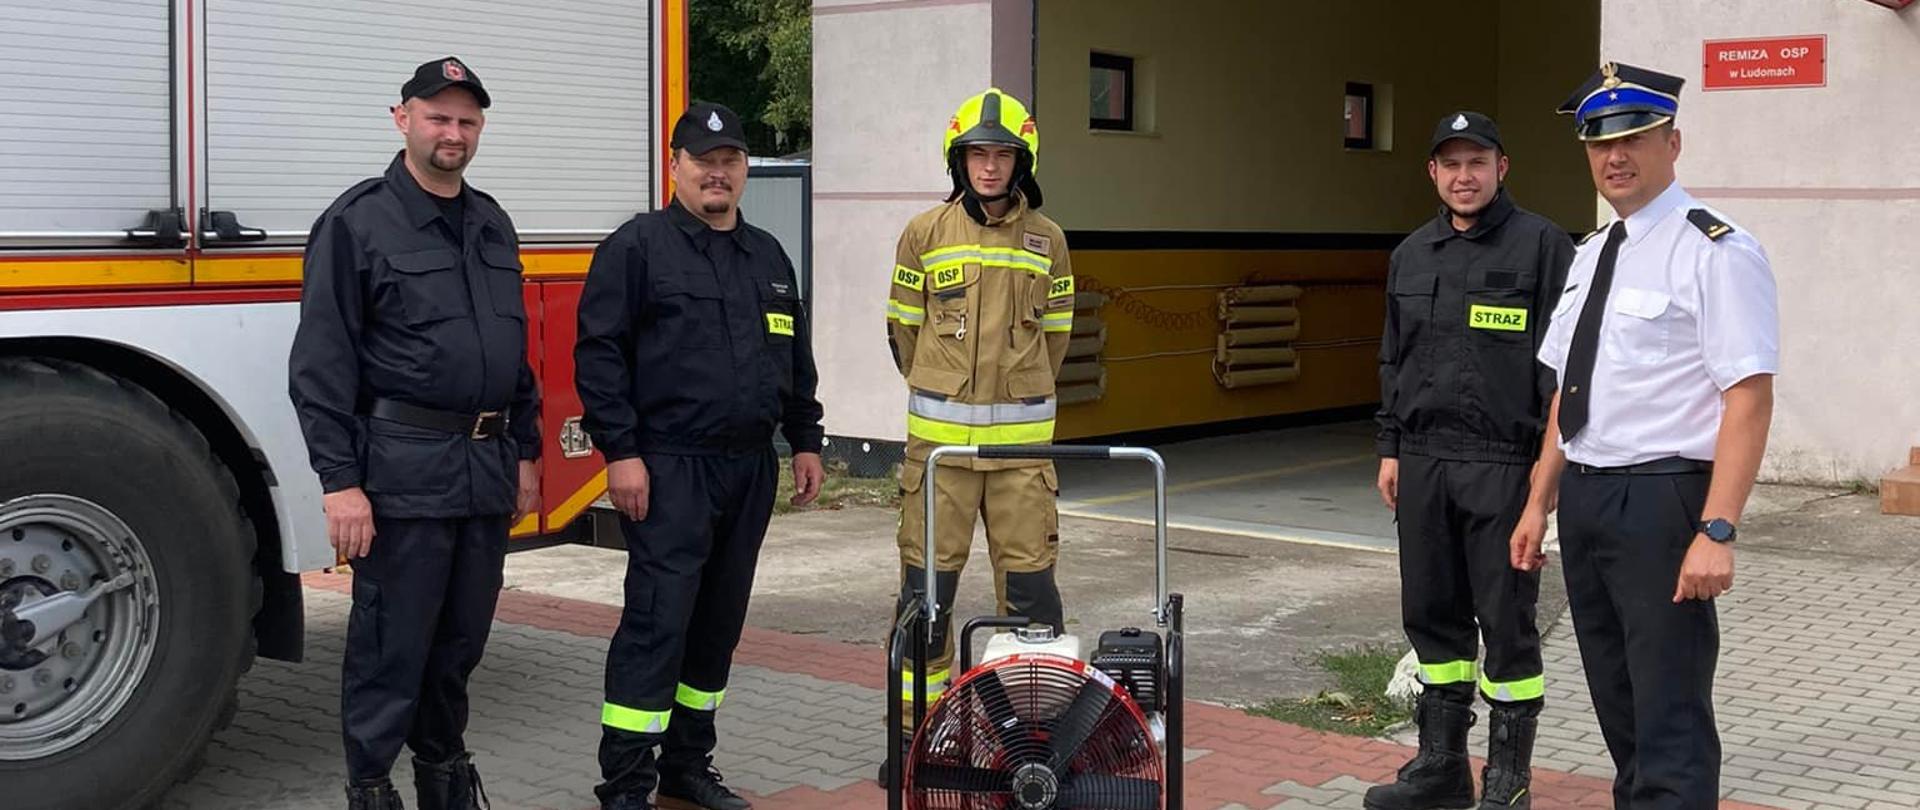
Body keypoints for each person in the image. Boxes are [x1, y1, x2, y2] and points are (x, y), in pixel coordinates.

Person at [1510, 61, 1779, 809]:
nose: (1615, 157)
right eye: (1600, 144)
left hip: (1664, 504)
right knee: (1620, 710)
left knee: (1670, 715)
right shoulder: (1594, 252)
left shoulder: (1716, 250)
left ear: (1673, 142)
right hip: (1591, 504)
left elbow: (1749, 397)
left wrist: (1717, 529)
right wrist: (1540, 502)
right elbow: (1572, 389)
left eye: (1634, 138)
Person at [289, 56, 538, 810]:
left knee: (459, 647)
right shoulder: (356, 223)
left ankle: (444, 779)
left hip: (485, 473)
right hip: (402, 477)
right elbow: (321, 366)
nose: (452, 132)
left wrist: (525, 451)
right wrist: (340, 482)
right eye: (438, 117)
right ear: (402, 120)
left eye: (466, 120)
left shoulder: (492, 221)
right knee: (389, 648)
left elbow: (512, 348)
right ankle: (370, 788)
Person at [575, 101, 826, 810]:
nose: (718, 174)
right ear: (675, 166)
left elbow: (793, 359)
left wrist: (805, 439)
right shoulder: (637, 248)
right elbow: (599, 358)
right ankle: (625, 782)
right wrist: (619, 454)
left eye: (730, 161)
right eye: (703, 161)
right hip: (669, 469)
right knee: (658, 621)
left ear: (744, 169)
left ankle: (688, 764)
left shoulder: (768, 256)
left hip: (749, 468)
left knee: (718, 623)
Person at [1366, 111, 1574, 810]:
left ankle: (1507, 780)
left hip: (1503, 464)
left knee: (1506, 622)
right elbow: (1393, 358)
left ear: (1502, 167)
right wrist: (1391, 446)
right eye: (1450, 165)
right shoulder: (1410, 255)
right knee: (1432, 616)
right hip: (1424, 462)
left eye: (1476, 163)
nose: (1464, 177)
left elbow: (1562, 376)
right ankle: (1440, 766)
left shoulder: (1544, 247)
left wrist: (1545, 486)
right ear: (1433, 173)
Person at [879, 87, 1075, 775]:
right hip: (940, 460)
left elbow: (1056, 338)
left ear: (1022, 162)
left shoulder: (1048, 241)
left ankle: (1030, 747)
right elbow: (903, 330)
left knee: (1032, 605)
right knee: (924, 604)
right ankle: (914, 743)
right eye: (976, 154)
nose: (989, 167)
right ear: (958, 161)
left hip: (1023, 462)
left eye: (1002, 154)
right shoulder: (925, 234)